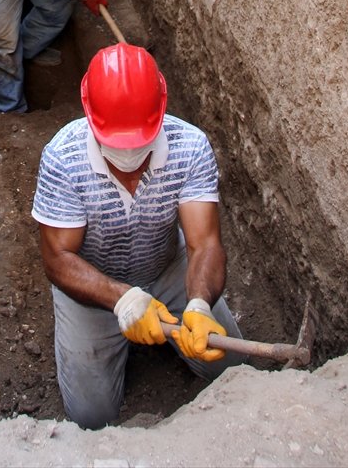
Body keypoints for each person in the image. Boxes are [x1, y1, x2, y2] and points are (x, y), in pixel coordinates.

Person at [32, 43, 246, 429]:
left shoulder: (191, 147)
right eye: (117, 141)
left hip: (169, 271)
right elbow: (57, 258)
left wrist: (199, 304)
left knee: (233, 370)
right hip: (92, 287)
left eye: (140, 139)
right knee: (90, 418)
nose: (130, 152)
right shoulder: (63, 158)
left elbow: (205, 244)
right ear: (89, 116)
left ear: (161, 112)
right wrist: (122, 298)